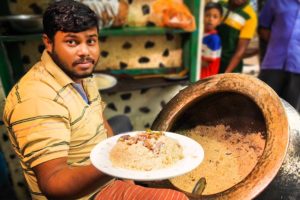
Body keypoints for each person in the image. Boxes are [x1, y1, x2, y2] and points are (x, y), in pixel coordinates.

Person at [2, 1, 189, 199]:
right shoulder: (36, 98)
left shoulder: (81, 74)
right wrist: (121, 162)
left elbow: (101, 124)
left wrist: (128, 178)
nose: (84, 52)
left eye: (91, 41)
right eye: (72, 42)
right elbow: (54, 185)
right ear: (48, 42)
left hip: (106, 182)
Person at [258, 0, 300, 112]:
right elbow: (263, 27)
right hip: (273, 62)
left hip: (298, 67)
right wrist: (278, 42)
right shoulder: (275, 1)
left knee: (291, 112)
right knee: (262, 105)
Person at [217, 0, 257, 73]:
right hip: (210, 61)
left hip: (230, 66)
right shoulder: (221, 4)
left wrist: (226, 73)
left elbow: (240, 51)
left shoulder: (250, 16)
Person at [201, 2, 222, 79]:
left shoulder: (214, 39)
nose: (210, 19)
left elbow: (206, 63)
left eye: (215, 17)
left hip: (205, 79)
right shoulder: (202, 34)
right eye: (207, 15)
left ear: (219, 21)